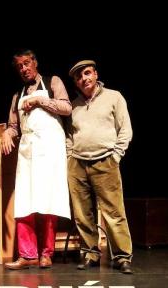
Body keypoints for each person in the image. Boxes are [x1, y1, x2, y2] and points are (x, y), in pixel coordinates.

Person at [1, 50, 72, 270]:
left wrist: (41, 100)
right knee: (25, 202)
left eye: (26, 63)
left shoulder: (52, 82)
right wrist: (7, 133)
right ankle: (27, 254)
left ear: (35, 62)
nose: (23, 69)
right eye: (19, 66)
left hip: (50, 150)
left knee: (49, 201)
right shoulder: (17, 95)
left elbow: (66, 108)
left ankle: (46, 253)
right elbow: (14, 125)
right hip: (28, 152)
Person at [66, 60, 134, 274]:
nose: (83, 79)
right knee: (82, 214)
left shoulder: (114, 97)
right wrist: (69, 156)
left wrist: (116, 156)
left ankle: (122, 256)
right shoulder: (73, 105)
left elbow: (125, 129)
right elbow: (69, 135)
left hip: (106, 161)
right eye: (79, 77)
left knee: (114, 212)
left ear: (95, 74)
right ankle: (90, 254)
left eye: (87, 73)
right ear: (75, 82)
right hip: (77, 163)